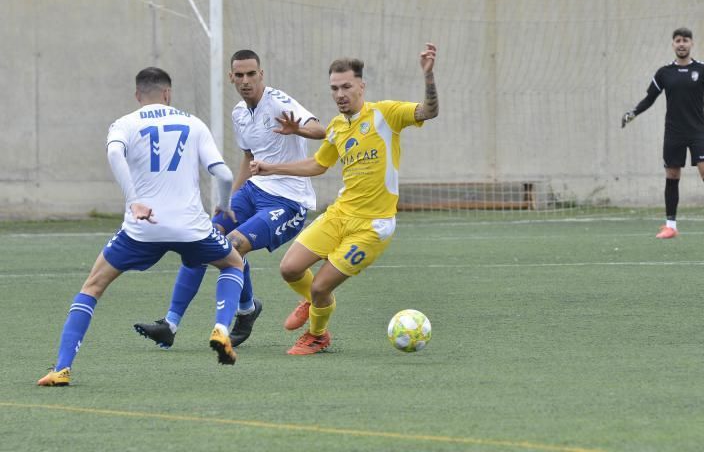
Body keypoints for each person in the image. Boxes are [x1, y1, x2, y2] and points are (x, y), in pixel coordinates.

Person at [38, 68, 244, 387]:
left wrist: (134, 199)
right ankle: (221, 329)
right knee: (233, 264)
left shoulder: (125, 123)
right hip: (192, 227)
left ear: (138, 95)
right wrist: (225, 204)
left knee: (92, 286)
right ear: (168, 93)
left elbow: (113, 153)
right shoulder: (193, 123)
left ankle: (62, 368)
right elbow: (224, 173)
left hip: (143, 228)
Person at [249, 43, 439, 355]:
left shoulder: (386, 114)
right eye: (334, 88)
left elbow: (429, 111)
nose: (340, 94)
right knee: (289, 269)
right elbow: (318, 165)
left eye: (346, 86)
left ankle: (317, 335)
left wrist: (428, 76)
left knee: (322, 285)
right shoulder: (336, 127)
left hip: (372, 226)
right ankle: (312, 301)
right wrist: (271, 168)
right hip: (340, 214)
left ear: (361, 86)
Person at [133, 50, 325, 349]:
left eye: (251, 74)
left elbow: (320, 129)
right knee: (199, 238)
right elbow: (248, 157)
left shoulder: (279, 102)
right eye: (240, 75)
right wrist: (230, 200)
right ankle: (170, 324)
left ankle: (245, 311)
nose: (246, 81)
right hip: (253, 191)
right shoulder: (239, 113)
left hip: (287, 201)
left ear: (261, 74)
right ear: (231, 77)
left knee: (232, 245)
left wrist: (297, 128)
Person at [622, 27, 704, 239]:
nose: (681, 44)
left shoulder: (703, 71)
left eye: (685, 40)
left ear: (691, 43)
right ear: (673, 44)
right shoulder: (664, 73)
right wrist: (633, 113)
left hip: (697, 132)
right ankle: (670, 226)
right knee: (672, 175)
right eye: (677, 41)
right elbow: (650, 99)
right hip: (673, 133)